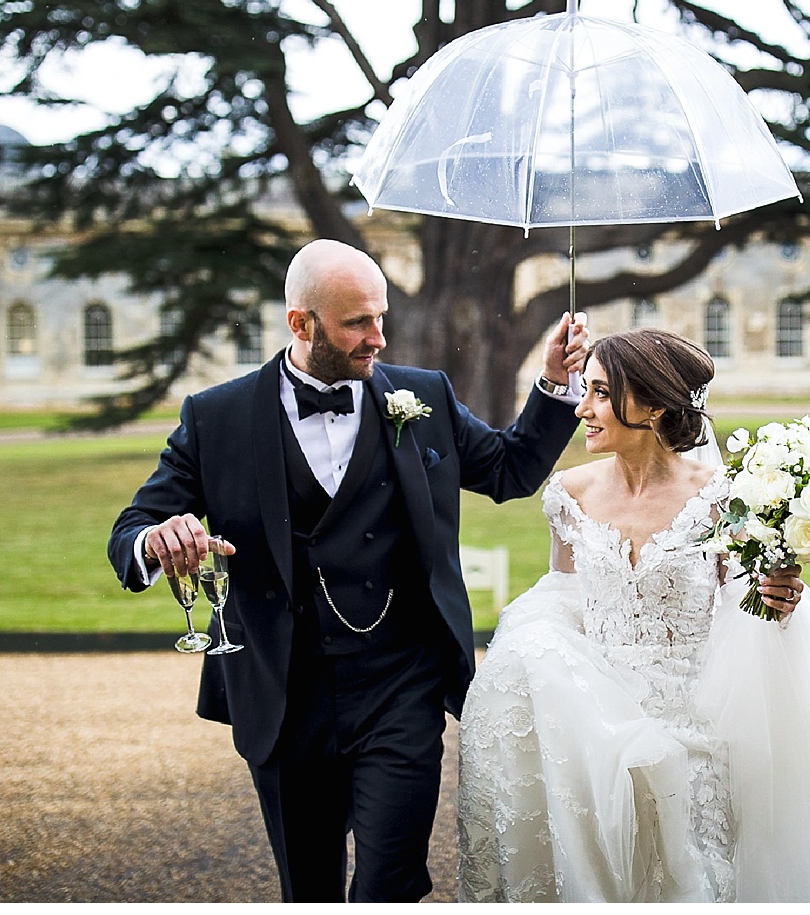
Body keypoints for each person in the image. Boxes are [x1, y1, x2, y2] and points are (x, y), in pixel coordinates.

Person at [108, 238, 582, 901]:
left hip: (400, 688)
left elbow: (510, 470)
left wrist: (556, 385)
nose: (379, 338)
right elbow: (130, 531)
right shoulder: (215, 418)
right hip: (283, 692)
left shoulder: (424, 399)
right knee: (309, 889)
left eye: (380, 317)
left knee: (389, 883)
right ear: (300, 324)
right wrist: (158, 539)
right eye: (358, 322)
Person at [454, 327, 810, 902]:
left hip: (700, 716)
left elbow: (747, 606)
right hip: (598, 714)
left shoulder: (724, 498)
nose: (583, 409)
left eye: (598, 393)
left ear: (653, 405)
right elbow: (561, 599)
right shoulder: (568, 493)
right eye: (584, 390)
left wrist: (778, 595)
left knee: (695, 875)